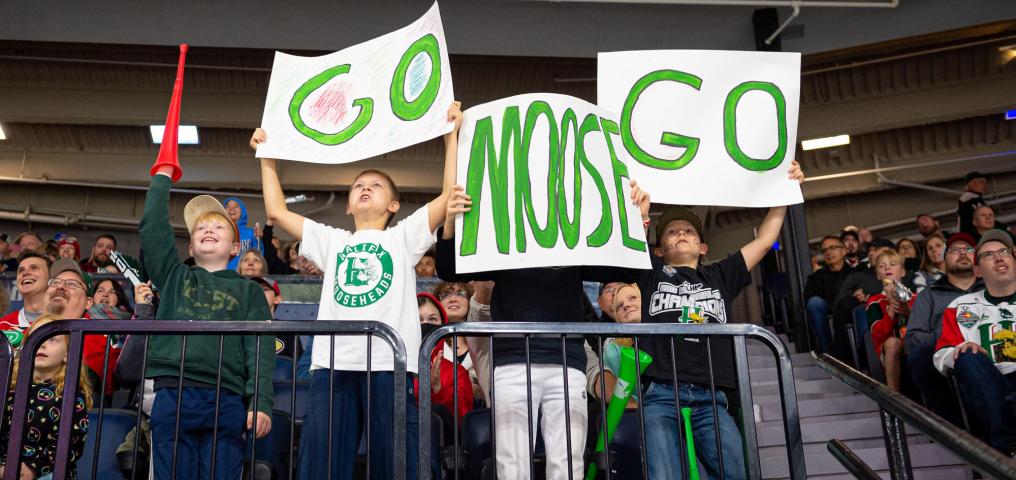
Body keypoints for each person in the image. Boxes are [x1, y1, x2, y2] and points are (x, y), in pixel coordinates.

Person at [252, 100, 462, 480]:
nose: (365, 188)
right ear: (348, 205)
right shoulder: (332, 240)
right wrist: (268, 157)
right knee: (321, 467)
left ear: (394, 204)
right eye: (358, 185)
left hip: (391, 364)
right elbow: (278, 213)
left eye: (376, 185)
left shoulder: (402, 238)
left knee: (396, 466)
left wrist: (451, 139)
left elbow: (448, 198)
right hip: (333, 364)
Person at [434, 176, 653, 479]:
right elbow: (448, 267)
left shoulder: (573, 239)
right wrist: (449, 221)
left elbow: (628, 268)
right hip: (512, 360)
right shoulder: (503, 237)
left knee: (568, 463)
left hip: (566, 359)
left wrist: (639, 219)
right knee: (512, 466)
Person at [638, 160, 802, 480]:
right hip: (659, 392)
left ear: (703, 247)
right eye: (671, 232)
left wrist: (785, 190)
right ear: (659, 250)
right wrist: (642, 216)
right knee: (664, 475)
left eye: (688, 231)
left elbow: (765, 240)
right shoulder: (651, 273)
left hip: (712, 396)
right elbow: (630, 243)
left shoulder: (720, 276)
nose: (681, 233)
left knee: (738, 473)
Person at [143, 159, 274, 479]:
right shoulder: (175, 277)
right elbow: (153, 230)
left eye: (218, 227)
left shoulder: (250, 292)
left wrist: (261, 401)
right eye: (201, 228)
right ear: (190, 245)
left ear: (234, 248)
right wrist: (162, 178)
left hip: (227, 397)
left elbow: (260, 350)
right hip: (174, 393)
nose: (209, 230)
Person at [934, 229, 1016, 455]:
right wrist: (959, 350)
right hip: (990, 380)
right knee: (967, 357)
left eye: (1003, 251)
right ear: (978, 270)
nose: (999, 257)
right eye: (988, 255)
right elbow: (941, 354)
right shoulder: (960, 306)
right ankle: (1008, 447)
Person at [0, 314, 93, 480]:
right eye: (35, 337)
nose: (41, 344)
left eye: (51, 339)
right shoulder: (8, 388)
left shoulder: (70, 394)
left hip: (48, 472)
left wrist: (33, 469)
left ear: (67, 354)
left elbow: (72, 444)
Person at [904, 232, 979, 425]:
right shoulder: (929, 295)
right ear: (944, 260)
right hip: (947, 354)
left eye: (968, 250)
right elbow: (913, 338)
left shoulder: (992, 287)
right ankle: (955, 423)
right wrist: (945, 337)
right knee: (919, 355)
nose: (963, 254)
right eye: (955, 250)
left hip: (992, 346)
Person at [416, 292, 474, 423]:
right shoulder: (394, 367)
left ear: (443, 325)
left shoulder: (457, 372)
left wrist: (438, 388)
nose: (426, 324)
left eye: (433, 319)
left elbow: (462, 421)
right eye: (418, 320)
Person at [866, 249, 915, 392]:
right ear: (877, 275)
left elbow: (924, 327)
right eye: (882, 266)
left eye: (892, 264)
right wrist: (892, 309)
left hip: (913, 343)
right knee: (893, 343)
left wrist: (908, 312)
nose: (887, 268)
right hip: (889, 350)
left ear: (903, 271)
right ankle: (894, 399)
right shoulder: (874, 301)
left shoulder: (916, 298)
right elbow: (878, 335)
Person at [804, 236, 852, 354]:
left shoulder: (856, 272)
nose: (828, 252)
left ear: (844, 251)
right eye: (825, 250)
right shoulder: (816, 277)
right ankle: (827, 354)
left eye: (832, 248)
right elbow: (809, 297)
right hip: (828, 310)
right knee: (814, 303)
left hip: (849, 310)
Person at [0, 252, 52, 346]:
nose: (25, 273)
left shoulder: (67, 323)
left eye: (34, 268)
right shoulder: (2, 326)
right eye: (21, 270)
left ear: (51, 279)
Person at [222, 197, 263, 271]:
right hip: (223, 276)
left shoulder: (251, 233)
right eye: (228, 207)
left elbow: (259, 255)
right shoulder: (218, 232)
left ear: (242, 211)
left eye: (236, 206)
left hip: (244, 277)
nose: (231, 209)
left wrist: (258, 239)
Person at [957, 171, 990, 236]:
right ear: (971, 183)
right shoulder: (968, 200)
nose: (985, 185)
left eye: (985, 182)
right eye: (981, 182)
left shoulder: (975, 199)